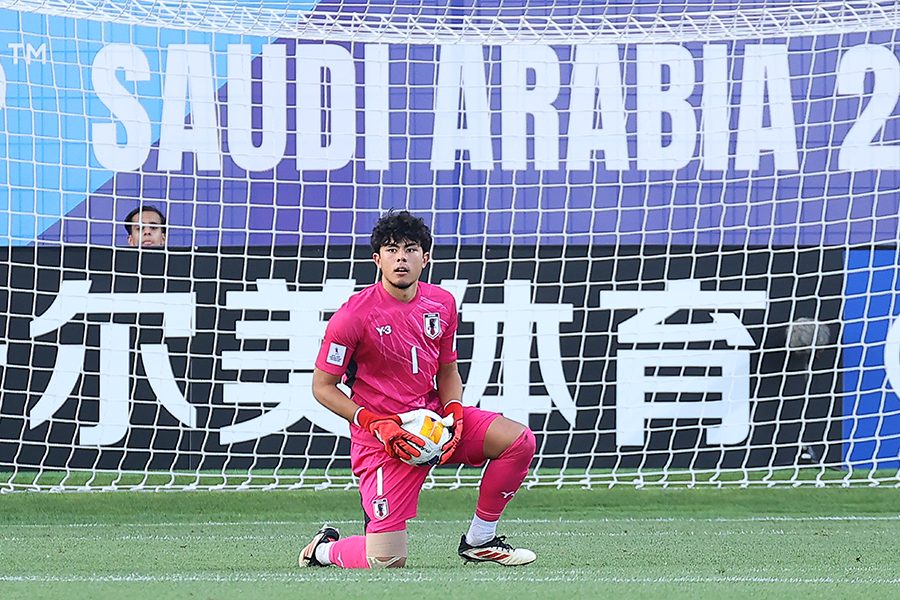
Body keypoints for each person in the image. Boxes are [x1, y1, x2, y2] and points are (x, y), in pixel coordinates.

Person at [299, 210, 537, 569]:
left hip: (434, 423)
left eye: (410, 249)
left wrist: (454, 409)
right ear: (377, 259)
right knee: (386, 559)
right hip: (383, 440)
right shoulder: (352, 317)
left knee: (518, 441)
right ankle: (321, 550)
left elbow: (447, 369)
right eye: (392, 250)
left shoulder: (442, 303)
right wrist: (374, 423)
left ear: (425, 258)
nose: (401, 258)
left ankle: (480, 540)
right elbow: (323, 387)